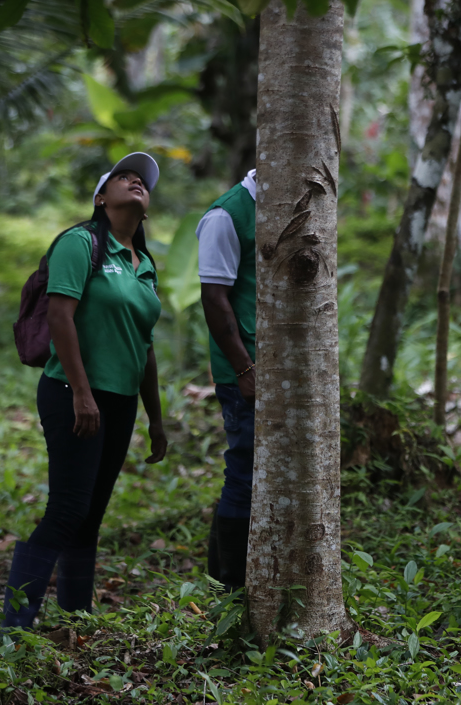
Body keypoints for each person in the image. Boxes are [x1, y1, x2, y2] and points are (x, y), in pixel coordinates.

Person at [0, 153, 168, 637]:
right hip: (72, 395)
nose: (136, 181)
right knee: (67, 510)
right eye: (123, 177)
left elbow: (145, 345)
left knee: (90, 517)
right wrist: (81, 393)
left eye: (143, 181)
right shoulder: (80, 243)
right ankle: (12, 628)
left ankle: (76, 621)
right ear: (101, 197)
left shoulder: (144, 263)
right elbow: (59, 316)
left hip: (120, 401)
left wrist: (155, 418)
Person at [197, 168, 257, 592]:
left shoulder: (292, 205)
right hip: (246, 372)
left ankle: (229, 574)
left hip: (278, 367)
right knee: (244, 467)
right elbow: (214, 299)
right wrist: (244, 370)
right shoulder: (226, 216)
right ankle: (228, 582)